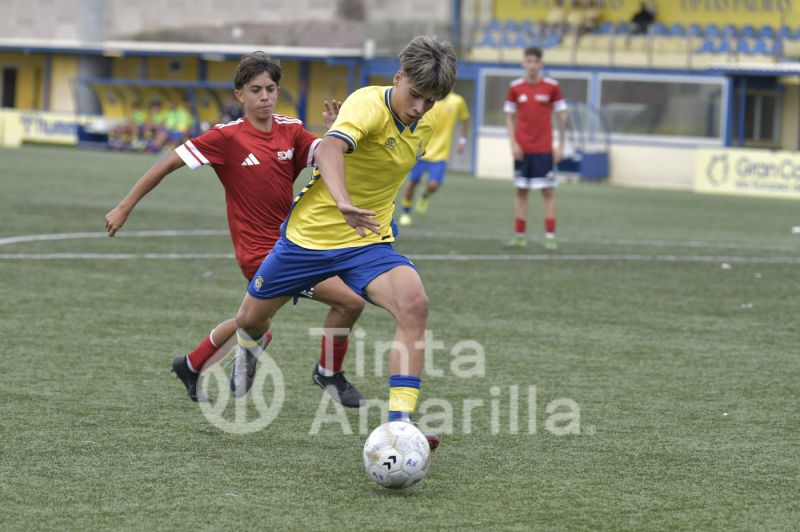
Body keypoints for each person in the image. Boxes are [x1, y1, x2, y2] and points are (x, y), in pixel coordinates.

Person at [104, 52, 366, 407]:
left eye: (271, 89)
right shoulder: (225, 138)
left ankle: (194, 364)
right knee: (348, 301)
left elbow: (328, 155)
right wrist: (124, 205)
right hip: (259, 253)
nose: (265, 96)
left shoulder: (291, 130)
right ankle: (327, 372)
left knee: (254, 322)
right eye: (255, 89)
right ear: (239, 95)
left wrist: (336, 134)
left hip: (295, 245)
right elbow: (168, 162)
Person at [230, 36, 456, 430]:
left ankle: (400, 424)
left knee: (414, 304)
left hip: (367, 240)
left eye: (431, 101)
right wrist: (343, 201)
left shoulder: (428, 121)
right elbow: (331, 149)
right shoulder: (367, 103)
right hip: (309, 239)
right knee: (250, 320)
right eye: (416, 95)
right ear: (398, 77)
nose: (420, 108)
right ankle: (250, 345)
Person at [504, 46, 567, 250]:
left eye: (535, 61)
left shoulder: (552, 87)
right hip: (523, 149)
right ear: (523, 63)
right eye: (528, 61)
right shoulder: (515, 87)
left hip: (544, 149)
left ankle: (550, 236)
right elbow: (509, 117)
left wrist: (561, 144)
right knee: (521, 190)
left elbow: (561, 116)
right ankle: (519, 236)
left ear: (541, 64)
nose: (532, 65)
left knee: (548, 192)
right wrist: (513, 143)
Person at [398, 90, 470, 226]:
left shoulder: (457, 101)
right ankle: (406, 212)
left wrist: (462, 141)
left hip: (441, 153)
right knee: (412, 182)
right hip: (420, 150)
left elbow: (466, 121)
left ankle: (425, 196)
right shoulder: (427, 100)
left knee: (433, 185)